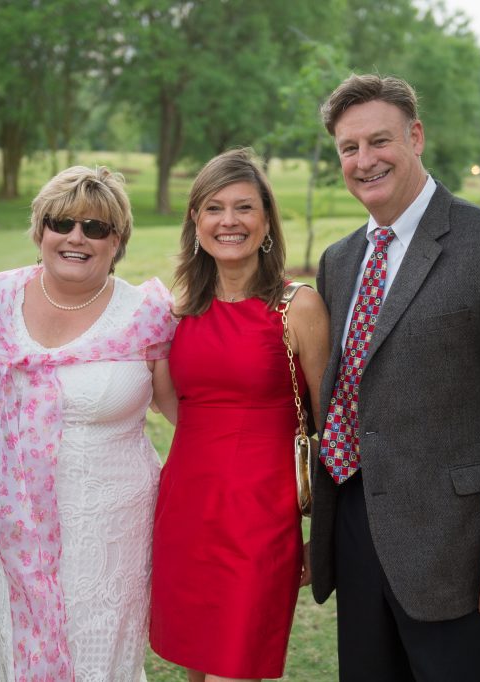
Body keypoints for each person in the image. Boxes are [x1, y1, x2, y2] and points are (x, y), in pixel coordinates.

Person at [311, 73, 480, 681]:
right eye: (349, 148)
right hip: (358, 527)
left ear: (417, 136)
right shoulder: (340, 260)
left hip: (461, 546)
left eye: (380, 141)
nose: (365, 160)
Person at [0, 165, 177, 681]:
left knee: (94, 656)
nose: (77, 237)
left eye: (96, 228)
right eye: (62, 222)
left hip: (107, 535)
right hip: (3, 530)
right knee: (0, 647)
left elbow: (188, 416)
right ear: (39, 230)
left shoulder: (148, 315)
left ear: (116, 241)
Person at [149, 149, 330, 682]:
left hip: (261, 520)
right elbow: (180, 411)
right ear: (196, 222)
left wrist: (326, 534)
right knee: (198, 665)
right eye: (214, 208)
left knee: (238, 661)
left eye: (244, 208)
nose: (229, 221)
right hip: (187, 510)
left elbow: (335, 431)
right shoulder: (179, 312)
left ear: (267, 222)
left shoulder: (298, 307)